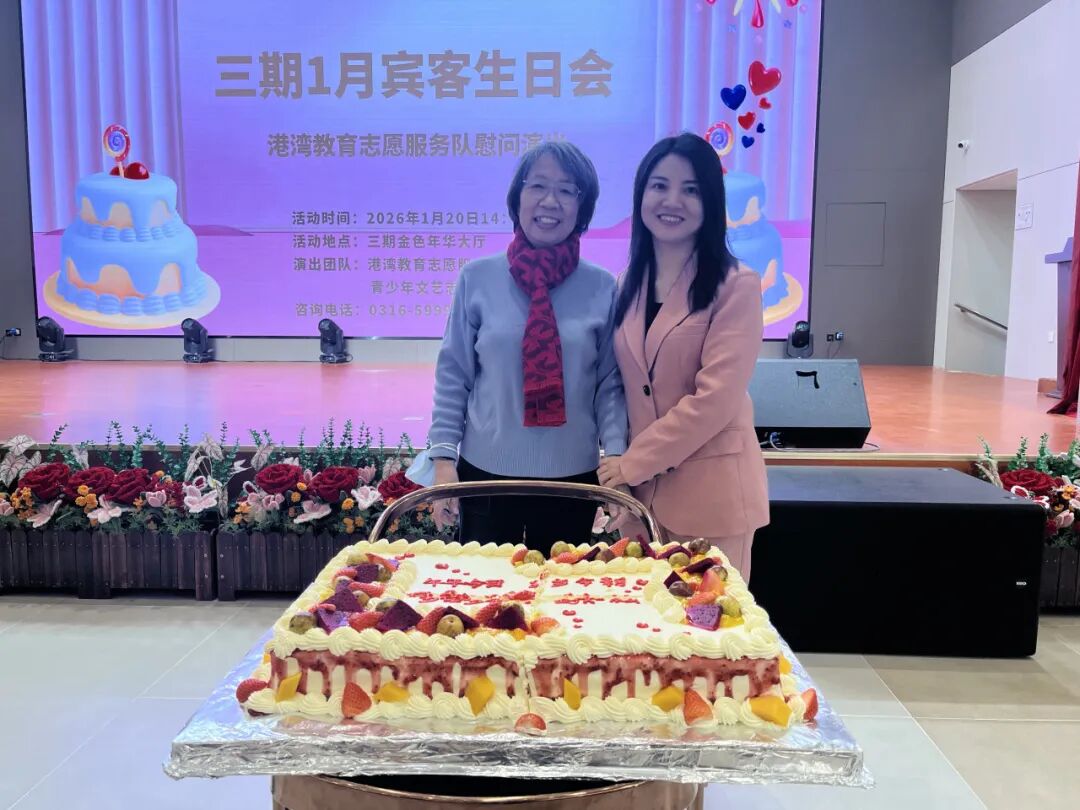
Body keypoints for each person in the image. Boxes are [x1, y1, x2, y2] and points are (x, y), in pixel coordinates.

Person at [427, 141, 628, 551]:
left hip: (573, 480)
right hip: (485, 476)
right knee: (484, 588)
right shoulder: (476, 278)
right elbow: (454, 375)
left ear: (583, 207)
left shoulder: (602, 287)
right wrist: (444, 461)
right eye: (537, 185)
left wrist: (617, 459)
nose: (549, 201)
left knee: (561, 588)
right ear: (517, 196)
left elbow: (609, 385)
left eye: (566, 190)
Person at [597, 133, 768, 579]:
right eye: (660, 185)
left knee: (709, 621)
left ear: (710, 201)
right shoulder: (626, 284)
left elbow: (715, 400)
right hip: (640, 504)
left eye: (690, 189)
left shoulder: (737, 285)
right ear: (641, 194)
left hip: (711, 501)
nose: (672, 200)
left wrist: (632, 464)